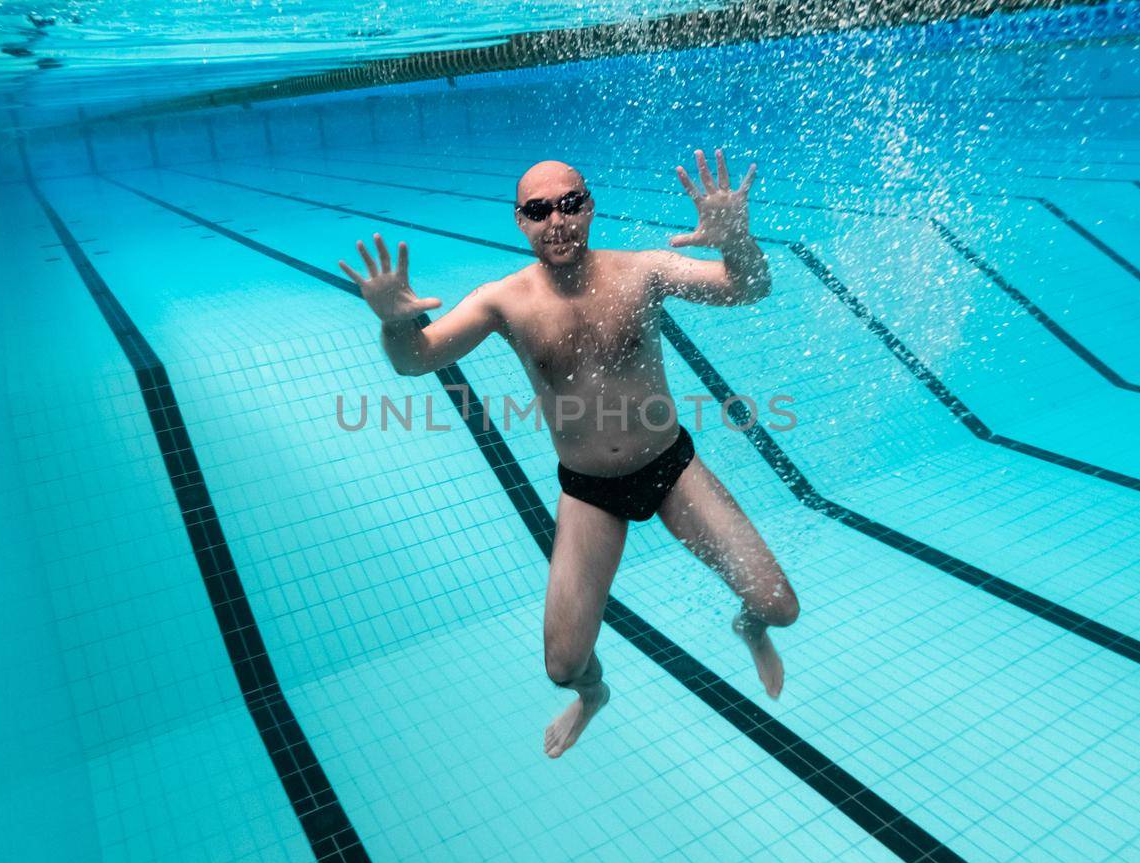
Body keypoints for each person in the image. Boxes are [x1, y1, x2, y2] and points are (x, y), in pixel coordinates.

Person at [339, 148, 800, 758]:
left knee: (779, 606)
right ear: (520, 222)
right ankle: (593, 696)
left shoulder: (644, 271)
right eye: (539, 209)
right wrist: (394, 322)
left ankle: (749, 627)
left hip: (670, 469)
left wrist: (736, 241)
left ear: (589, 206)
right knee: (563, 663)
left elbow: (750, 287)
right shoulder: (504, 301)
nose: (557, 221)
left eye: (570, 203)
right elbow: (414, 360)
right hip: (590, 491)